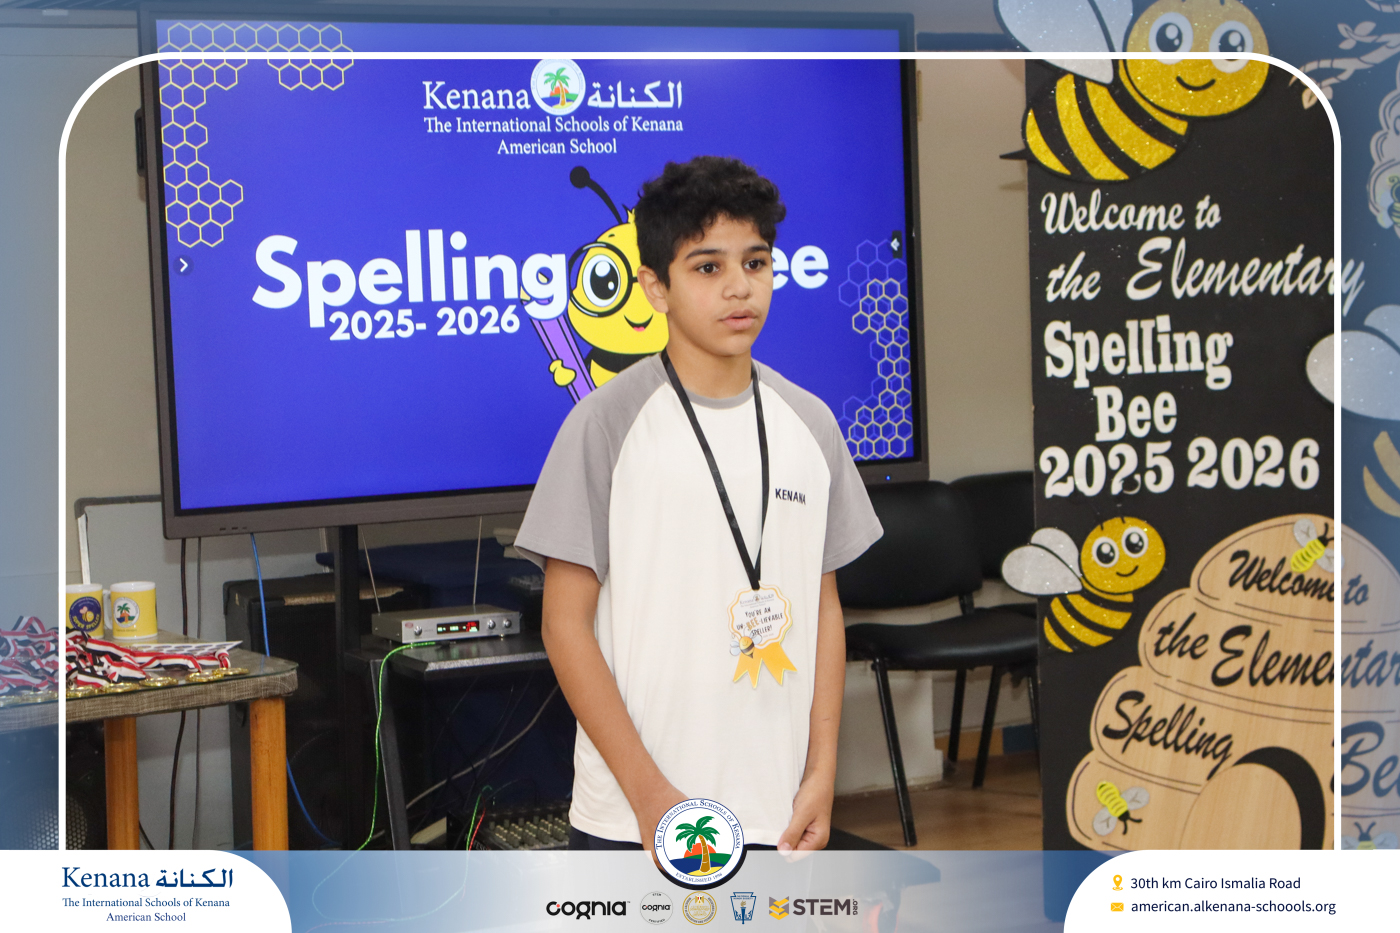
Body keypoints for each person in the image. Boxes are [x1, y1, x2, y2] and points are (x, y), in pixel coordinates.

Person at [515, 156, 882, 853]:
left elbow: (825, 609)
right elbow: (564, 626)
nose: (739, 286)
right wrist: (650, 798)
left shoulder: (812, 423)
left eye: (756, 262)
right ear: (655, 286)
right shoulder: (604, 425)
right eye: (708, 267)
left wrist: (822, 773)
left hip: (779, 814)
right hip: (635, 818)